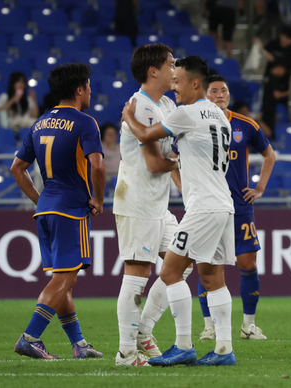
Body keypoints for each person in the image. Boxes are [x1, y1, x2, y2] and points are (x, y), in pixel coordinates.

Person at [121, 56, 237, 366]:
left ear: (195, 83)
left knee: (170, 272)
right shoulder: (220, 115)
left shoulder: (186, 113)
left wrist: (129, 117)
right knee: (213, 278)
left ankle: (183, 344)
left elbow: (146, 135)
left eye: (178, 80)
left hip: (202, 208)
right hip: (224, 205)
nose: (174, 86)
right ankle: (224, 349)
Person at [10, 63, 105, 359]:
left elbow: (17, 168)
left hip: (46, 210)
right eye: (88, 86)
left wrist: (41, 199)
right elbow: (98, 165)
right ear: (79, 90)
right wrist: (98, 200)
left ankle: (78, 345)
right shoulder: (85, 122)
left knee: (62, 277)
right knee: (66, 278)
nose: (90, 91)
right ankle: (30, 337)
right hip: (70, 209)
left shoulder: (38, 124)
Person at [113, 43, 195, 367]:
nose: (175, 68)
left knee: (183, 263)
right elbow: (154, 164)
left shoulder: (162, 102)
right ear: (154, 70)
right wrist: (178, 162)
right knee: (136, 275)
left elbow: (169, 155)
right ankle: (126, 353)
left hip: (158, 206)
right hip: (137, 202)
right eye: (171, 63)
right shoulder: (142, 105)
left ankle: (143, 331)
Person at [198, 74, 275, 340]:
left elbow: (269, 153)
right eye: (215, 91)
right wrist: (186, 190)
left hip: (239, 206)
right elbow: (174, 160)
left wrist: (260, 188)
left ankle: (248, 325)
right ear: (206, 94)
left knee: (248, 264)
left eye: (224, 90)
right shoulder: (196, 123)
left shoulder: (244, 124)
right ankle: (209, 326)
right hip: (207, 206)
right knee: (206, 265)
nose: (221, 95)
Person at [261, 26, 291, 137]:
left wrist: (287, 92)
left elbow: (286, 67)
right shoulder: (272, 44)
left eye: (290, 39)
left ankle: (279, 134)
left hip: (282, 84)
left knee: (281, 112)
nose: (287, 41)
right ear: (281, 35)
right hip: (269, 83)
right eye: (286, 37)